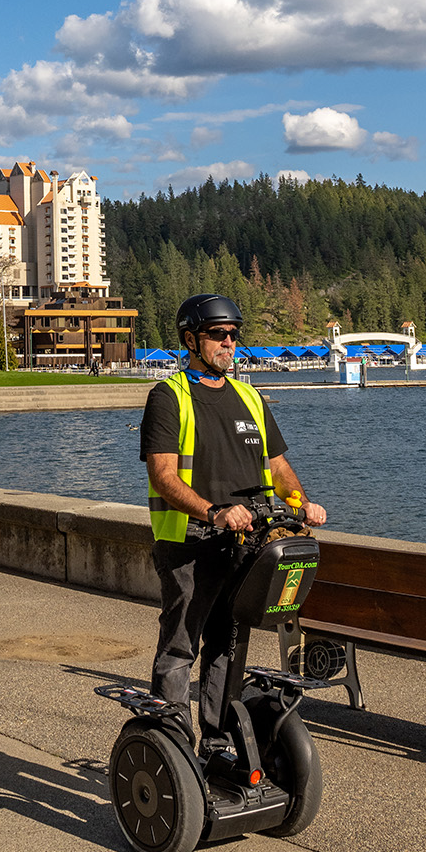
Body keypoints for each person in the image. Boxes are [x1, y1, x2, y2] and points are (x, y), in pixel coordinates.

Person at [140, 293, 327, 740]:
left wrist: (302, 502)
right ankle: (173, 748)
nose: (229, 343)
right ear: (191, 339)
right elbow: (163, 475)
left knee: (227, 644)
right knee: (180, 648)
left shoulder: (250, 397)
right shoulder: (169, 397)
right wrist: (214, 512)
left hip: (245, 545)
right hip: (189, 544)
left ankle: (219, 743)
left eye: (233, 335)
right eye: (217, 335)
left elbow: (279, 468)